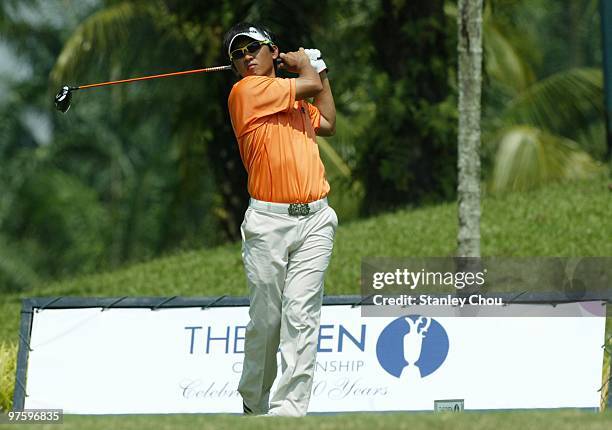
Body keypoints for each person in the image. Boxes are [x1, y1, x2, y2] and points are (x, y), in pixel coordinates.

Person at [223, 22, 338, 417]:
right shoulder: (246, 91)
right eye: (238, 55)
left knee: (301, 313)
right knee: (267, 320)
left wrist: (317, 69)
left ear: (272, 50)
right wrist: (308, 64)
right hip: (268, 224)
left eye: (252, 49)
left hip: (315, 221)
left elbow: (327, 121)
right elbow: (307, 85)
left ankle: (289, 410)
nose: (246, 59)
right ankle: (255, 404)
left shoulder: (292, 97)